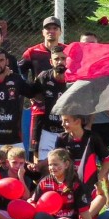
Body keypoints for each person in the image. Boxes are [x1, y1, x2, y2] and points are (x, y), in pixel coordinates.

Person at [12, 148, 97, 219]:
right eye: (50, 165)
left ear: (66, 164)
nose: (52, 168)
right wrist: (29, 205)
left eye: (55, 164)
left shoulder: (75, 184)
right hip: (44, 218)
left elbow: (83, 209)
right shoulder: (44, 182)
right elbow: (34, 202)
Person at [55, 114, 109, 219]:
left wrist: (99, 177)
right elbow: (56, 160)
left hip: (89, 182)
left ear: (77, 121)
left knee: (101, 199)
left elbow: (108, 159)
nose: (63, 124)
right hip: (69, 183)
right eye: (62, 121)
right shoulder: (62, 138)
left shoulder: (92, 137)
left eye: (66, 121)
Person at [21, 16, 63, 150]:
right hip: (41, 107)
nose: (51, 31)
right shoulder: (32, 52)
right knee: (37, 148)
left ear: (60, 32)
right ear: (43, 32)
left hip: (62, 106)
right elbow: (18, 73)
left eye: (55, 28)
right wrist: (32, 93)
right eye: (48, 28)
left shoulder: (67, 51)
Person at [31, 45, 68, 161]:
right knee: (43, 163)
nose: (60, 62)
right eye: (57, 59)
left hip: (68, 130)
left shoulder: (74, 78)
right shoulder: (44, 77)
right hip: (48, 129)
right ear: (51, 62)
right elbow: (32, 94)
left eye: (63, 58)